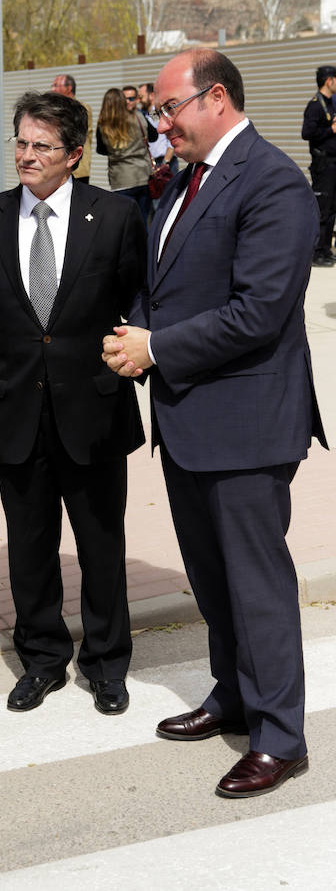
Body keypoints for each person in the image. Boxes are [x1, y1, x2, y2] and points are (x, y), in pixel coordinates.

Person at [103, 48, 327, 798]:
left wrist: (154, 348)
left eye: (170, 109)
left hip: (246, 419)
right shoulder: (185, 181)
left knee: (255, 582)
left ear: (218, 98)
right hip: (190, 415)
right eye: (159, 112)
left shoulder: (274, 182)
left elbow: (259, 313)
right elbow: (167, 287)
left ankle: (279, 735)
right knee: (211, 576)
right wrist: (135, 332)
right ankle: (231, 693)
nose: (160, 126)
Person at [0, 91, 146, 716]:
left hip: (93, 410)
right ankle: (43, 659)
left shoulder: (116, 217)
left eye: (42, 146)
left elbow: (133, 299)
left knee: (101, 545)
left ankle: (106, 661)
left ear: (74, 155)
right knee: (29, 546)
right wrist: (26, 360)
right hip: (17, 409)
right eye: (20, 142)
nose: (26, 155)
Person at [96, 87, 156, 227]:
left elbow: (101, 150)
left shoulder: (104, 125)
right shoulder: (138, 117)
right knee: (144, 221)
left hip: (121, 178)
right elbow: (154, 136)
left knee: (125, 224)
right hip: (143, 176)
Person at [302, 65, 336, 267]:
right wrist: (330, 130)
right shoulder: (315, 105)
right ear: (329, 81)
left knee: (331, 209)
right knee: (322, 210)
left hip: (333, 164)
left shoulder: (330, 104)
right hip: (323, 166)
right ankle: (315, 252)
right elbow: (307, 133)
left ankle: (325, 249)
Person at [50, 74, 92, 183]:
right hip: (57, 168)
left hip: (77, 169)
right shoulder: (54, 109)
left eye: (56, 86)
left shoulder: (81, 109)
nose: (52, 89)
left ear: (69, 88)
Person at [137, 82, 178, 176]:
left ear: (151, 95)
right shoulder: (146, 114)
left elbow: (170, 135)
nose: (139, 101)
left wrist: (165, 162)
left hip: (165, 163)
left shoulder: (158, 112)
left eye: (141, 97)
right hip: (152, 164)